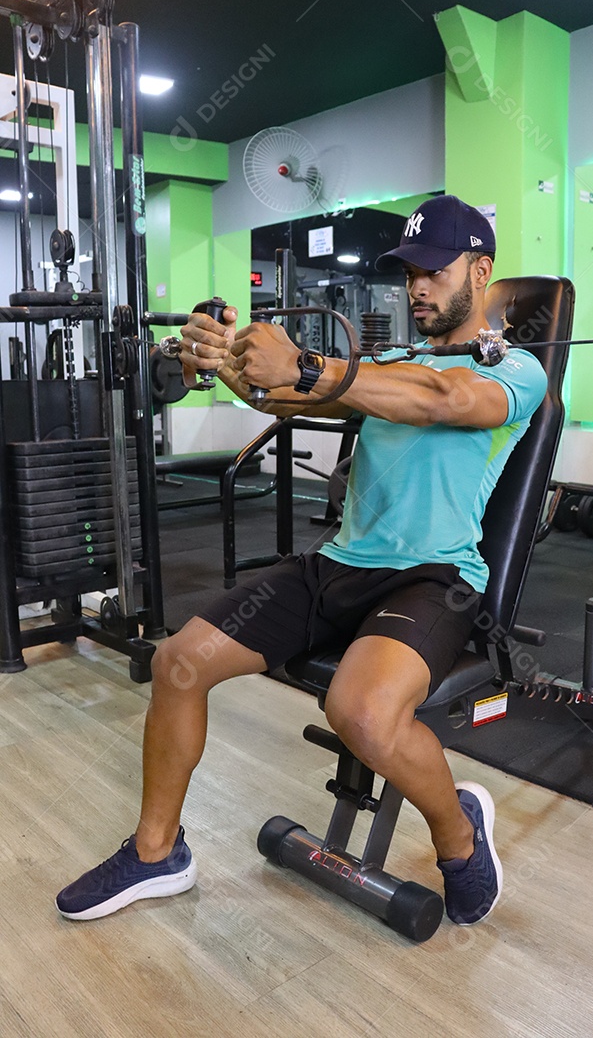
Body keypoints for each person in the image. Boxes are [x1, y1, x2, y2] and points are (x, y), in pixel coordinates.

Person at [56, 195, 547, 926]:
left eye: (433, 272)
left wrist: (314, 364)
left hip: (433, 578)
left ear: (480, 271)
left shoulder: (519, 370)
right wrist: (225, 360)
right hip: (340, 565)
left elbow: (445, 402)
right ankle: (157, 854)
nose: (417, 286)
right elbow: (283, 397)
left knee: (362, 714)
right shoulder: (390, 360)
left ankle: (459, 835)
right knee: (178, 662)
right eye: (409, 272)